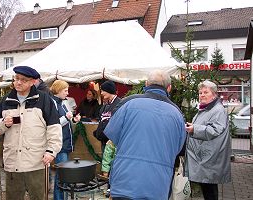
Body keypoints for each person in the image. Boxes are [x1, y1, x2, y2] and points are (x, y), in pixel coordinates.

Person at [104, 70, 186, 199]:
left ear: (146, 84)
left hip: (125, 180)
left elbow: (112, 135)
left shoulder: (128, 104)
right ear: (169, 88)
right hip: (158, 184)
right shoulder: (177, 114)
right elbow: (179, 148)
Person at [0, 66, 62, 200]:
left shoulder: (44, 100)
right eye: (16, 78)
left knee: (39, 197)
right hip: (12, 164)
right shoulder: (6, 100)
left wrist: (51, 151)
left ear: (32, 82)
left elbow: (54, 128)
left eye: (23, 80)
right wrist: (3, 123)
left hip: (36, 163)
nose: (18, 82)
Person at [185, 80, 231, 200]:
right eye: (200, 93)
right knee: (207, 188)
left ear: (214, 94)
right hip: (205, 157)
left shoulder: (217, 110)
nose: (202, 95)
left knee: (209, 190)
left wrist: (195, 128)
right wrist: (193, 126)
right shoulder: (206, 109)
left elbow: (215, 130)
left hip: (209, 158)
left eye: (206, 92)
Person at [49, 80, 81, 200]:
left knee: (64, 175)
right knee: (62, 176)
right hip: (60, 145)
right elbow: (53, 124)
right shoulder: (53, 103)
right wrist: (66, 118)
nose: (67, 93)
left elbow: (65, 122)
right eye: (65, 90)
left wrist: (73, 120)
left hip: (65, 143)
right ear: (58, 90)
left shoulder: (61, 103)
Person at [93, 80, 121, 152]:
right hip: (103, 141)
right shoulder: (105, 106)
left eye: (103, 91)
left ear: (109, 90)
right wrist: (98, 133)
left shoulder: (120, 104)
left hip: (113, 143)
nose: (101, 93)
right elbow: (101, 121)